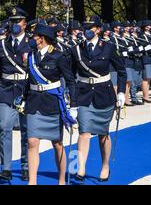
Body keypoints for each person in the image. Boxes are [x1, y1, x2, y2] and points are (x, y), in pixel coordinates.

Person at [71, 16, 127, 183]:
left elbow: (122, 71)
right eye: (85, 27)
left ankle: (105, 165)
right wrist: (71, 100)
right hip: (84, 95)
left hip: (104, 95)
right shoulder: (77, 49)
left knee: (103, 134)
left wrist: (122, 93)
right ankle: (81, 168)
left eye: (91, 27)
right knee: (84, 131)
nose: (87, 30)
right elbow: (71, 75)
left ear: (98, 29)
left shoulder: (108, 48)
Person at [23, 23, 76, 185]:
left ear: (42, 38)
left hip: (52, 103)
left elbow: (70, 81)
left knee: (57, 144)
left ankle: (61, 180)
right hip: (34, 103)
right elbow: (29, 80)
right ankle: (32, 181)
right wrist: (23, 99)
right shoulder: (31, 56)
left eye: (35, 36)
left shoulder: (58, 56)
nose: (33, 38)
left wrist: (74, 106)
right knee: (32, 142)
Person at [0, 7, 30, 181]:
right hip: (6, 90)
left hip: (26, 91)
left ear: (25, 23)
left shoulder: (31, 44)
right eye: (12, 21)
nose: (15, 24)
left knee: (27, 130)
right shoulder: (1, 44)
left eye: (18, 21)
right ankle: (6, 168)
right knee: (5, 129)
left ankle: (26, 166)